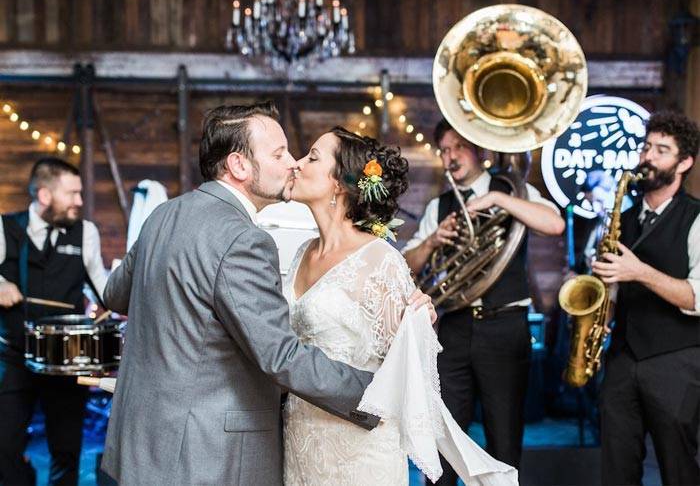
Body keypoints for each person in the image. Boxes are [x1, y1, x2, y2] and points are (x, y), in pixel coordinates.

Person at [100, 102, 433, 485]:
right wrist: (377, 395)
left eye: (302, 154)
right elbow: (279, 355)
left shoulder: (163, 215)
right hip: (205, 453)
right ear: (239, 166)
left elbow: (116, 294)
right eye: (279, 153)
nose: (292, 163)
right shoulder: (245, 239)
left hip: (140, 443)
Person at [283, 127, 517, 485]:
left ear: (340, 184)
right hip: (299, 437)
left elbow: (410, 367)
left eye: (312, 157)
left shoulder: (379, 259)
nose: (296, 164)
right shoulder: (301, 253)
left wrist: (419, 326)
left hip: (357, 450)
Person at [402, 119, 565, 483]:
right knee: (443, 440)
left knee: (504, 439)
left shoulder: (511, 188)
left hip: (505, 326)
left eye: (458, 147)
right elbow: (408, 264)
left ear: (478, 149)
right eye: (444, 151)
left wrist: (497, 200)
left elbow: (553, 225)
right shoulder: (440, 205)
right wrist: (433, 241)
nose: (450, 157)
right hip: (456, 327)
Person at [592, 111, 700, 485]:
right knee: (617, 468)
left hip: (677, 362)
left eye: (662, 150)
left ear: (684, 162)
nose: (648, 157)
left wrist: (639, 272)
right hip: (623, 360)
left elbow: (695, 296)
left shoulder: (696, 218)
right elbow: (614, 289)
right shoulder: (623, 217)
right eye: (646, 147)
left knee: (679, 468)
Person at [0, 157, 108, 485]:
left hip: (66, 359)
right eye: (72, 193)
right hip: (14, 356)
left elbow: (103, 287)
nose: (80, 201)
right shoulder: (5, 227)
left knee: (67, 450)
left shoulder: (86, 232)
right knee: (4, 447)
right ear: (45, 195)